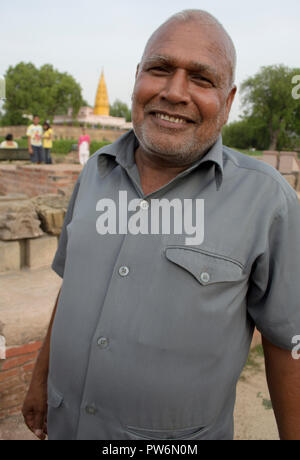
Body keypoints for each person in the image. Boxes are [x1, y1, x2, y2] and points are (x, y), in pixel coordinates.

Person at [22, 9, 300, 441]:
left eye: (202, 79)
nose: (174, 92)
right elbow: (71, 283)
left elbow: (289, 343)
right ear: (137, 79)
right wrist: (40, 377)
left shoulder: (266, 200)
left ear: (227, 102)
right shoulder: (95, 171)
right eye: (160, 69)